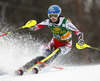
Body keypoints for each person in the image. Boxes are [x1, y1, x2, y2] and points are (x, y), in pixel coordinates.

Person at [15, 5, 85, 75]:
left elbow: (79, 32)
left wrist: (80, 40)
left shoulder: (65, 22)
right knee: (42, 56)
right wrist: (31, 27)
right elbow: (37, 27)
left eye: (55, 15)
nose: (53, 18)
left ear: (59, 15)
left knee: (57, 52)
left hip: (66, 45)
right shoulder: (48, 21)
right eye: (51, 16)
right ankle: (23, 68)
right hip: (54, 42)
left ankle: (40, 67)